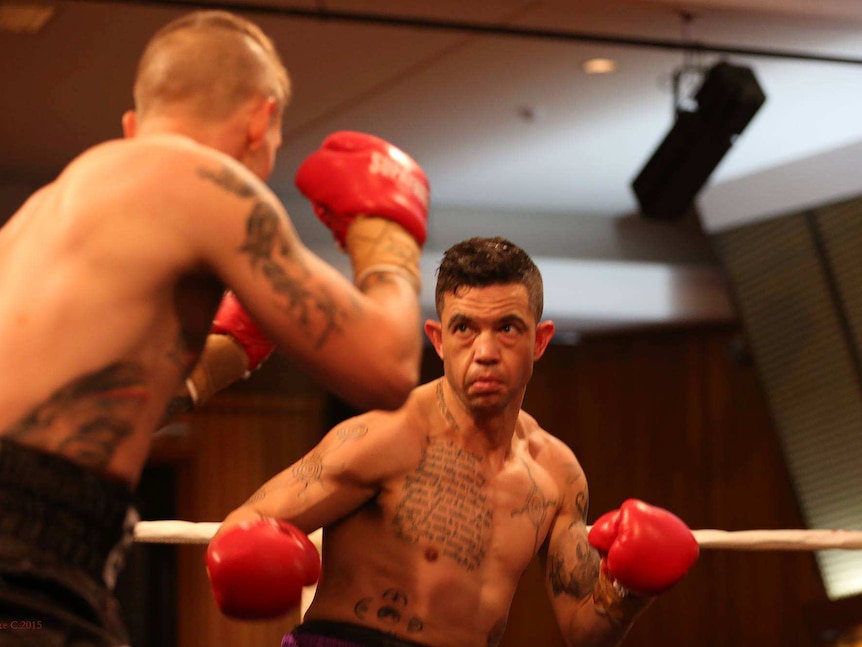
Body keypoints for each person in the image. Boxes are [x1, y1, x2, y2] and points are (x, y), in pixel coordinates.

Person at [0, 9, 430, 646]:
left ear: (133, 125)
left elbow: (73, 405)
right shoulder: (205, 180)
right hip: (31, 552)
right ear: (261, 122)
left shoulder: (41, 214)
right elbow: (388, 368)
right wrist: (388, 236)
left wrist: (216, 361)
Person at [207, 237, 700, 647]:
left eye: (507, 328)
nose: (484, 352)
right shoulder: (384, 436)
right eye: (465, 328)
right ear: (439, 340)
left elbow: (583, 631)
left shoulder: (557, 474)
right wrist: (252, 562)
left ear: (541, 340)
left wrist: (627, 589)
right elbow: (246, 526)